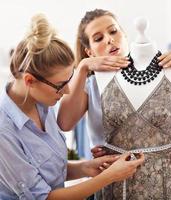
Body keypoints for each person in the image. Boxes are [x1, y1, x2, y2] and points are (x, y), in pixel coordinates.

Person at [57, 9, 171, 199]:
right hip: (113, 182)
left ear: (124, 35)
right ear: (89, 51)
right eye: (98, 38)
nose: (109, 40)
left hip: (166, 183)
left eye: (113, 31)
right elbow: (64, 123)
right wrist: (83, 67)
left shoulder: (168, 76)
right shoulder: (91, 84)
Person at [0, 14, 144, 200]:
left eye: (69, 80)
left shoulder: (43, 103)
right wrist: (109, 177)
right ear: (30, 81)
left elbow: (47, 171)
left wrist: (85, 168)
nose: (67, 90)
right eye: (61, 85)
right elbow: (43, 197)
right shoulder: (4, 132)